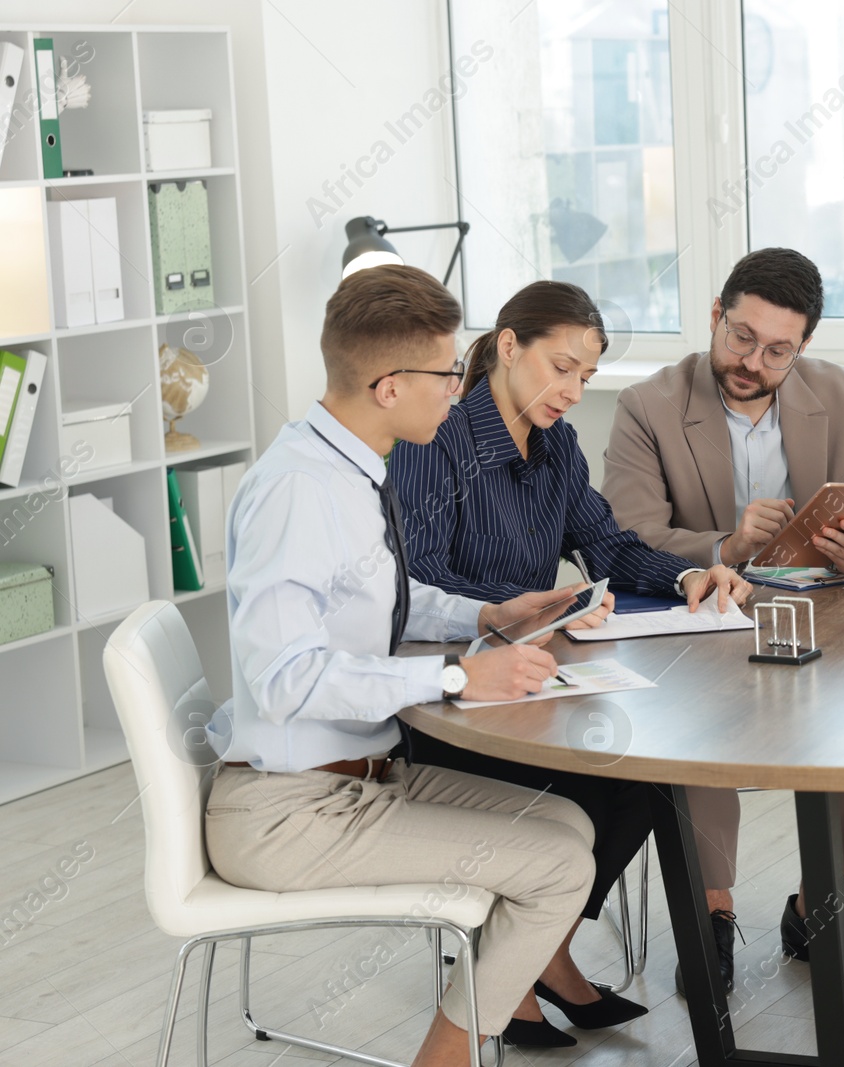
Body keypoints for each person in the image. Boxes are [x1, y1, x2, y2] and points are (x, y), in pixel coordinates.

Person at [203, 265, 602, 1065]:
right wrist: (454, 676)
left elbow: (375, 597)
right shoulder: (298, 491)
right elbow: (286, 675)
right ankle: (444, 1058)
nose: (461, 389)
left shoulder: (347, 467)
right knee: (558, 864)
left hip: (352, 780)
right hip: (289, 813)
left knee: (568, 825)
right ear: (389, 385)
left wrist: (488, 614)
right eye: (448, 372)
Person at [387, 279, 751, 1044]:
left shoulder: (554, 444)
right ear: (510, 345)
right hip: (450, 689)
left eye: (586, 376)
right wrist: (538, 603)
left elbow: (607, 542)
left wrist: (686, 577)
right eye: (563, 367)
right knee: (598, 773)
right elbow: (417, 578)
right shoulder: (439, 436)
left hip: (529, 678)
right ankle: (520, 966)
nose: (573, 391)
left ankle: (540, 949)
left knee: (645, 769)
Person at [603, 247, 844, 992]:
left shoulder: (840, 393)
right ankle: (710, 914)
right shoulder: (648, 405)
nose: (753, 360)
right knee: (702, 732)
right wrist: (728, 544)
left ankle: (817, 907)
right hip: (701, 623)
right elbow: (623, 539)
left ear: (803, 347)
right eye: (741, 337)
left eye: (778, 350)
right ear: (715, 315)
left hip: (819, 619)